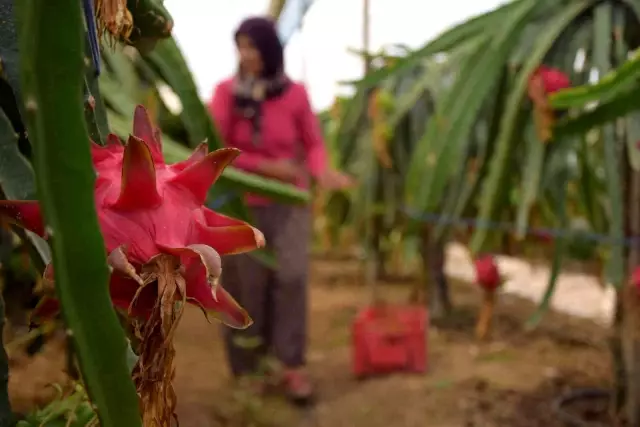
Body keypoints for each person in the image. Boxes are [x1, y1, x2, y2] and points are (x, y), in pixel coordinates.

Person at [208, 16, 353, 403]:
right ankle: (249, 372)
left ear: (270, 50)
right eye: (240, 47)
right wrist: (264, 167)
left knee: (291, 279)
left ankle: (291, 366)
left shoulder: (295, 94)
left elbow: (314, 143)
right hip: (241, 207)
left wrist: (324, 174)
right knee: (246, 289)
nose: (245, 55)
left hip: (290, 205)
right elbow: (215, 151)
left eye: (252, 47)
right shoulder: (226, 94)